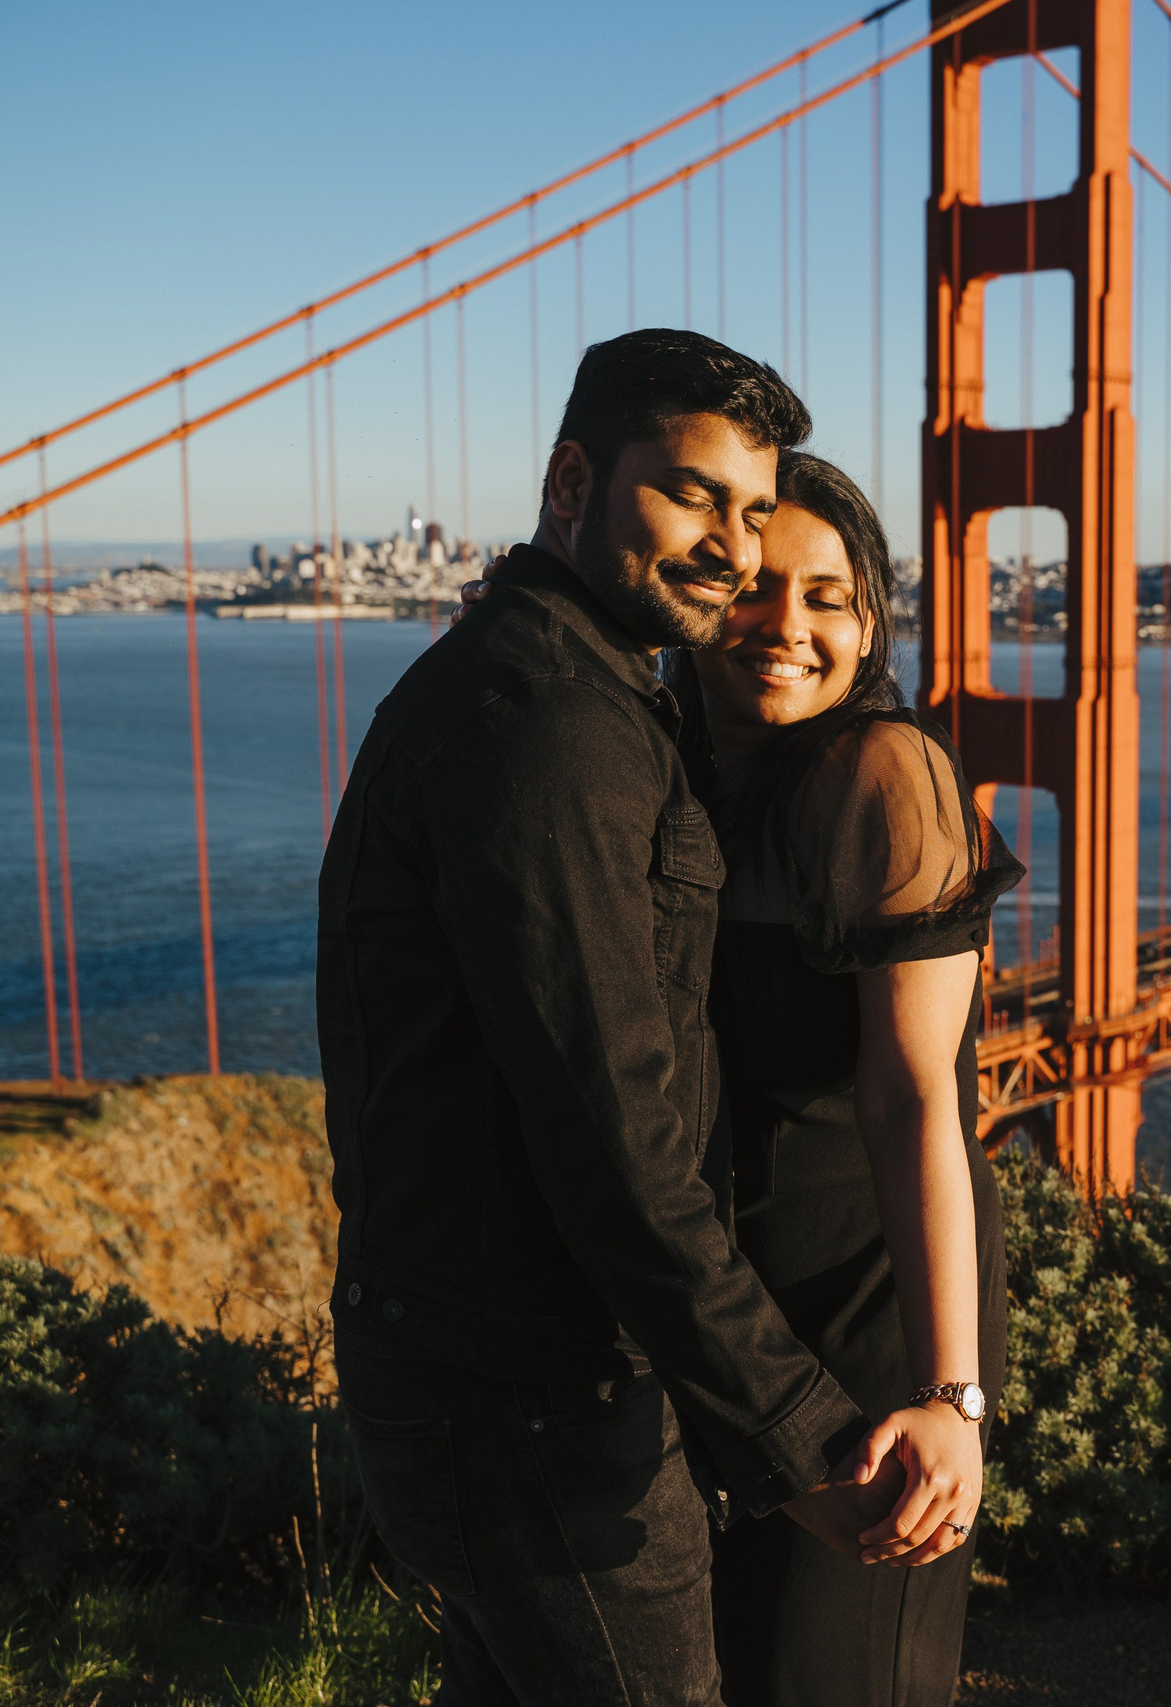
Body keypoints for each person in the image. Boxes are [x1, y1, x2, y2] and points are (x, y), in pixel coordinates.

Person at [319, 330, 930, 1707]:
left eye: (752, 509)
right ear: (570, 479)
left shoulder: (581, 685)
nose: (728, 543)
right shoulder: (551, 719)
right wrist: (803, 1436)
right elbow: (615, 1133)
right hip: (541, 1407)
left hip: (490, 1380)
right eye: (689, 493)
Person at [457, 452, 1020, 1705]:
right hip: (706, 1307)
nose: (790, 628)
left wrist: (950, 1395)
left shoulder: (887, 775)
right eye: (761, 590)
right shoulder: (655, 761)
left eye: (832, 597)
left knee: (820, 1673)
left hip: (868, 1294)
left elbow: (916, 1096)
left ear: (872, 619)